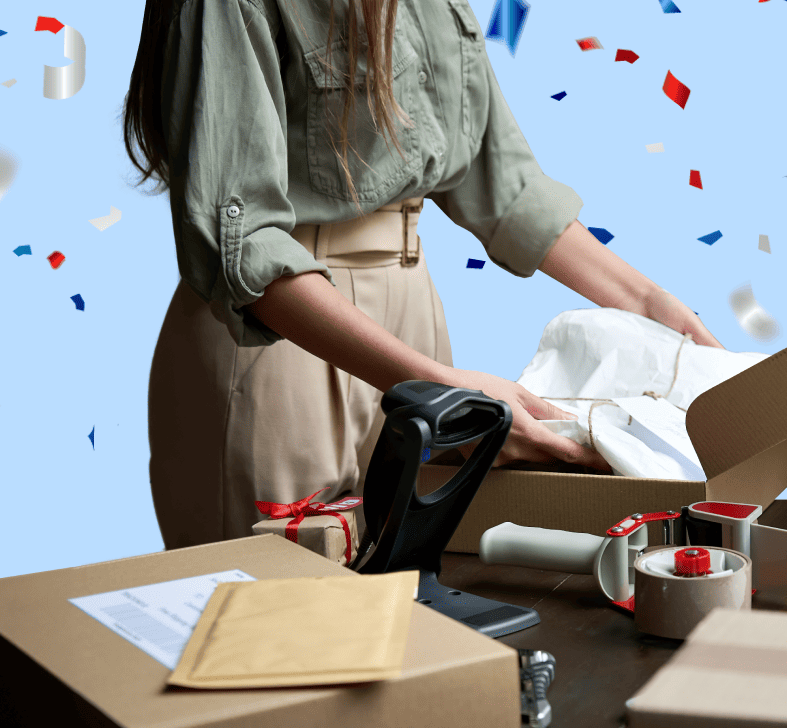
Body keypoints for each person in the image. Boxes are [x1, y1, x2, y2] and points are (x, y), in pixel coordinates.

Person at [123, 0, 723, 551]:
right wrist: (442, 391)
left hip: (413, 315)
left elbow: (501, 185)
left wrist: (650, 305)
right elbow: (245, 240)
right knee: (281, 621)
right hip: (280, 335)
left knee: (416, 603)